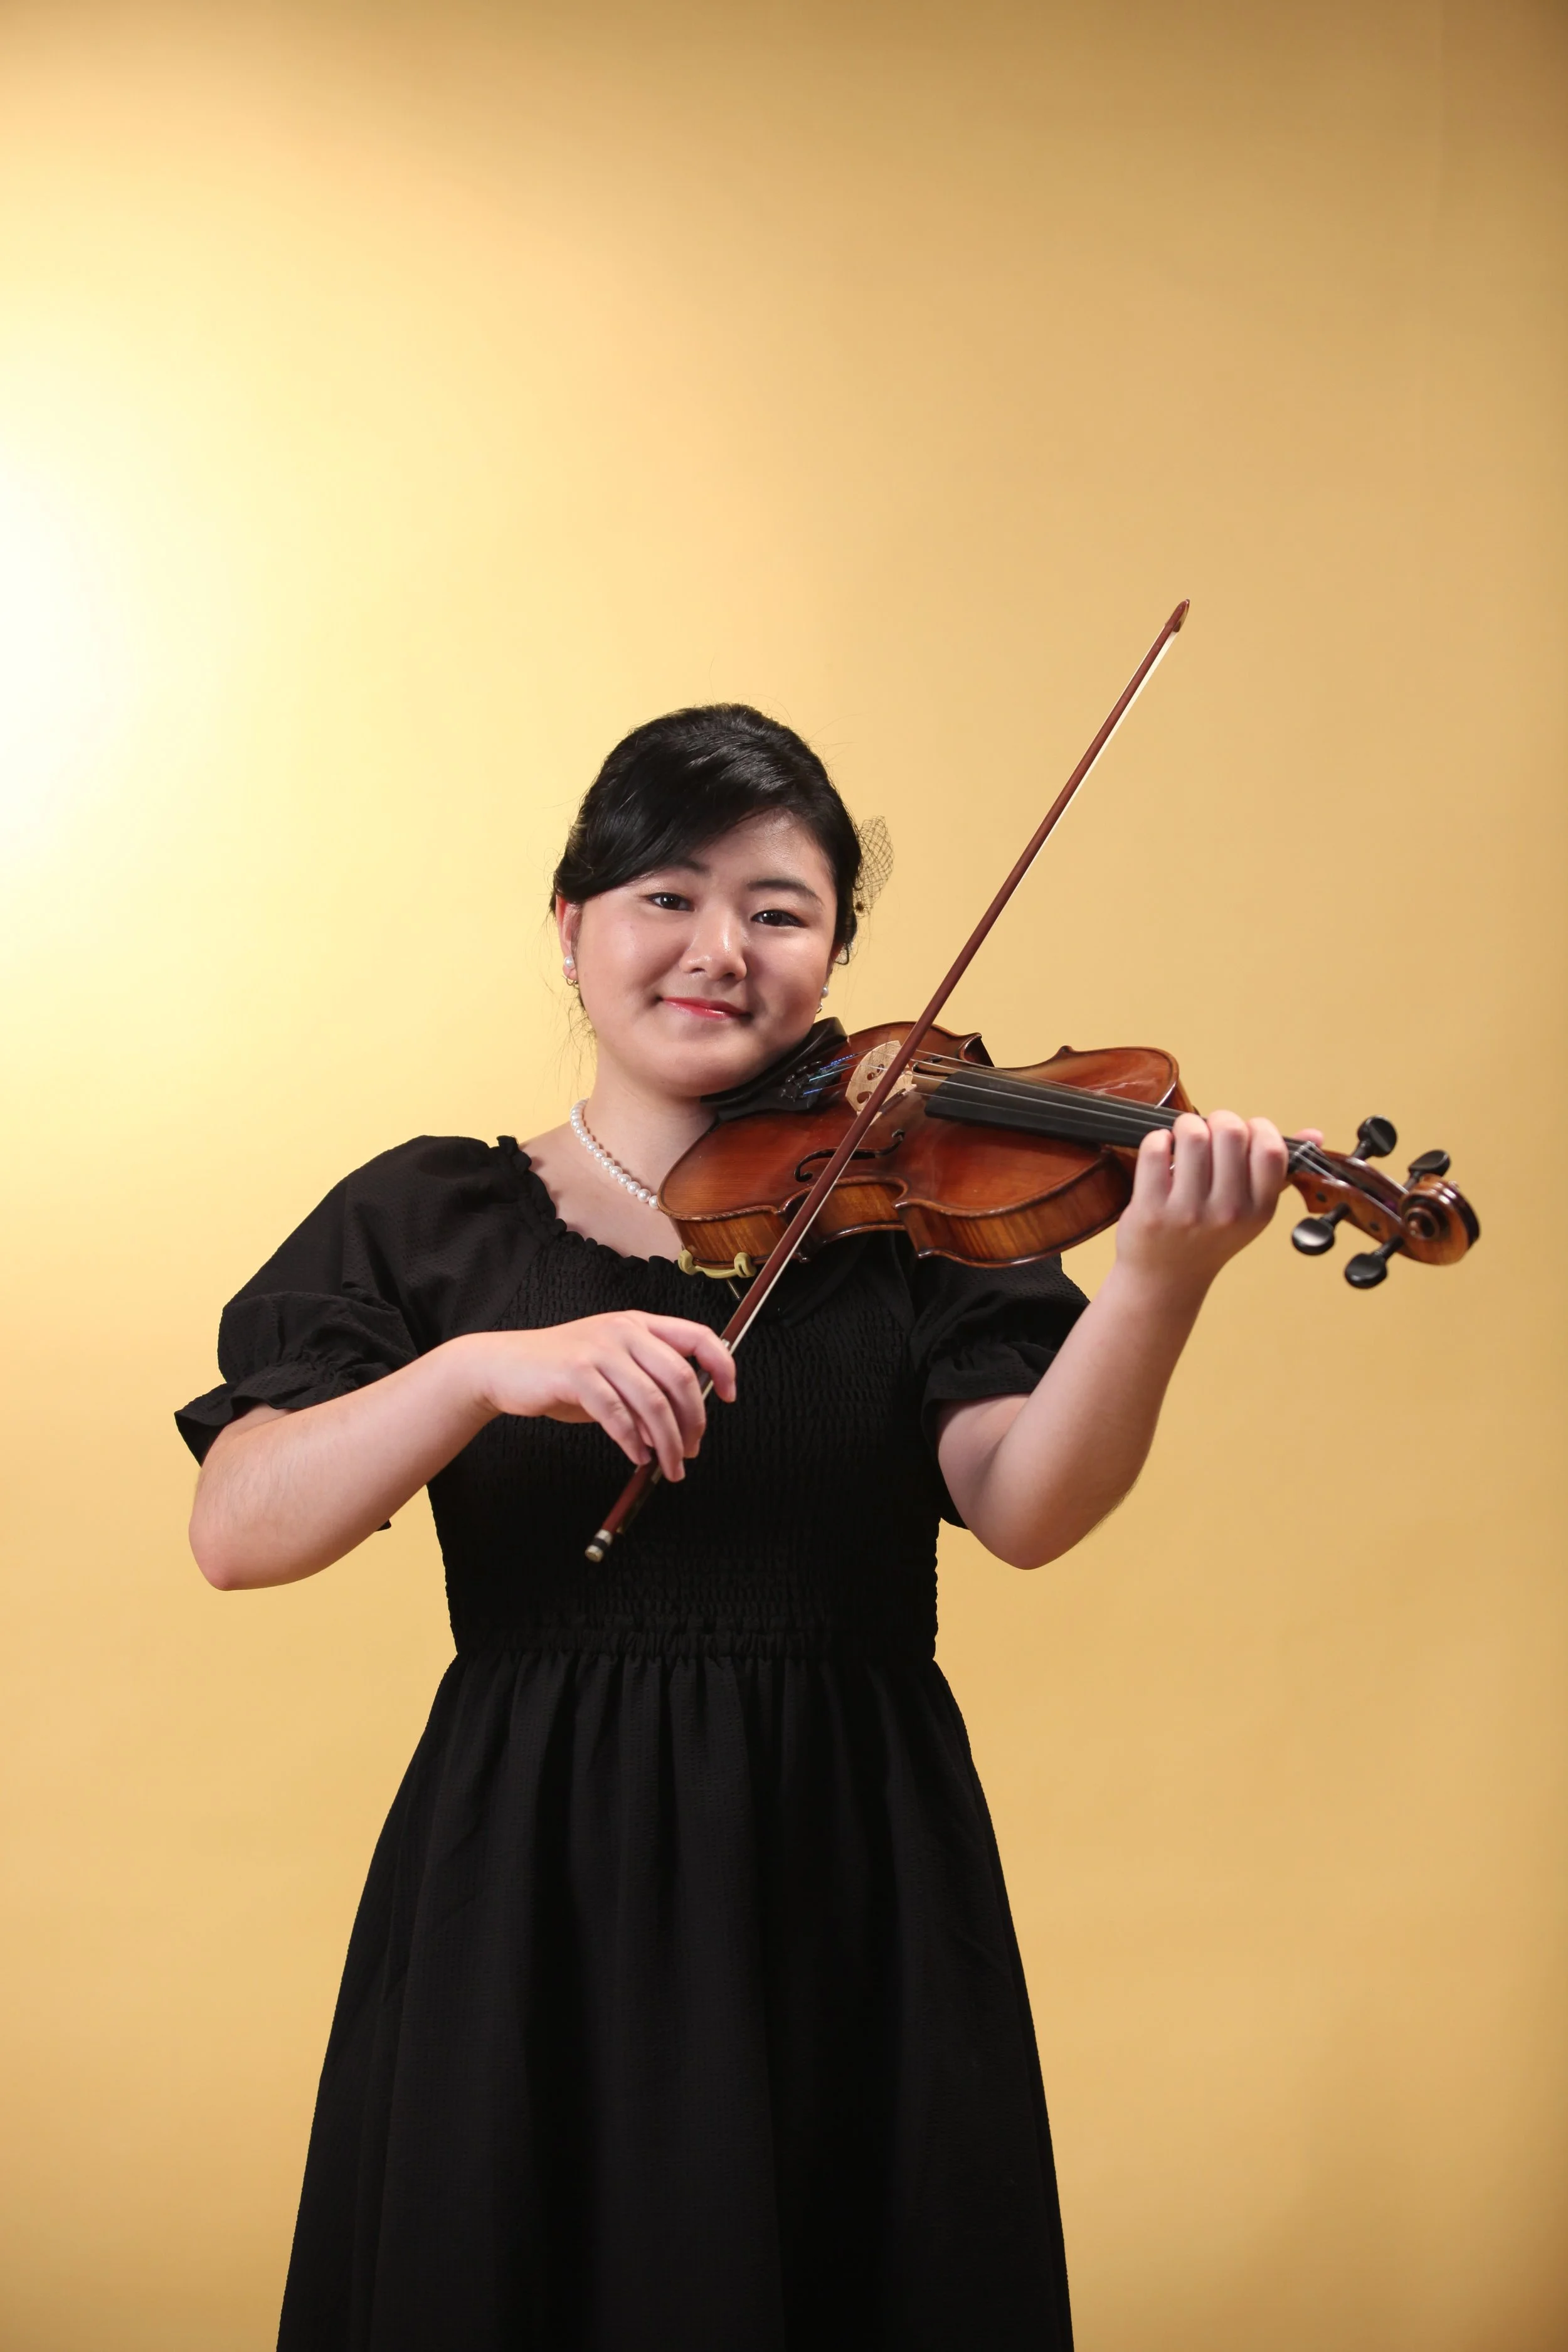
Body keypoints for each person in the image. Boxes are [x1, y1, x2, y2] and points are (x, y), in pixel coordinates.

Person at [177, 703, 1294, 2352]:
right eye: (666, 896)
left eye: (780, 910)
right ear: (571, 929)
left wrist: (1161, 1281)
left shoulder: (913, 1216)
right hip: (525, 1865)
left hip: (843, 1853)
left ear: (836, 947)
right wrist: (484, 1366)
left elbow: (1025, 1501)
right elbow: (237, 1524)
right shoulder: (429, 1218)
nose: (721, 948)